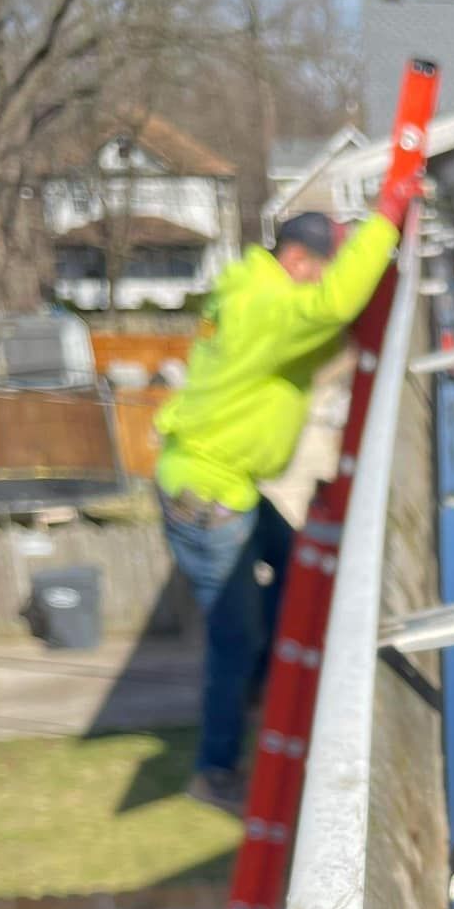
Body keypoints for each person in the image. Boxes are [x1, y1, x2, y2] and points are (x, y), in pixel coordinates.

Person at [154, 199, 406, 813]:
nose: (322, 280)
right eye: (322, 268)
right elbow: (332, 305)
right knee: (232, 639)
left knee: (294, 563)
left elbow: (309, 342)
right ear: (298, 260)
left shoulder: (257, 293)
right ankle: (214, 772)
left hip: (224, 486)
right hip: (211, 497)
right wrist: (387, 221)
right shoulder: (261, 303)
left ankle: (261, 681)